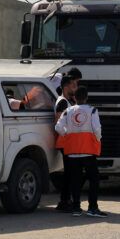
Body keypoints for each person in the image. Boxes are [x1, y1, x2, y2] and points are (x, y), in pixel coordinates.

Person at [55, 85, 106, 217]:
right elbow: (97, 129)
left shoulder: (68, 111)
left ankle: (76, 208)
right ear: (87, 97)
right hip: (88, 150)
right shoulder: (92, 111)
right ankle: (92, 207)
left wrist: (67, 135)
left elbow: (58, 127)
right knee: (94, 178)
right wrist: (98, 139)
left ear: (75, 98)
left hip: (72, 151)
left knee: (75, 180)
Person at [54, 76, 77, 212]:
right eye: (73, 85)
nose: (75, 87)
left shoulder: (68, 101)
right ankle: (64, 201)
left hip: (68, 142)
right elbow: (58, 123)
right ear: (66, 87)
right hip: (65, 142)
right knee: (69, 172)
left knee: (70, 172)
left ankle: (66, 200)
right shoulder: (62, 102)